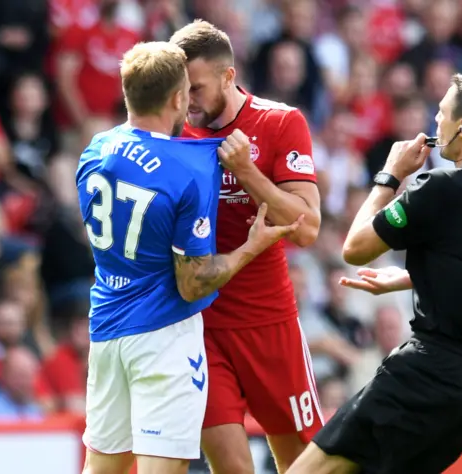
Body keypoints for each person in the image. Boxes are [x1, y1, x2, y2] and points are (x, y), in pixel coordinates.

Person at [76, 41, 304, 474]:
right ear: (179, 97)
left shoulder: (95, 149)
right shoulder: (187, 170)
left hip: (106, 329)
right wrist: (250, 248)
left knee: (101, 467)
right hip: (163, 335)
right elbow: (193, 281)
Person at [286, 73, 462, 474]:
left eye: (441, 113)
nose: (435, 121)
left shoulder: (440, 187)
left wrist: (390, 176)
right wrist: (415, 278)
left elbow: (356, 248)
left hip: (429, 370)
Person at [170, 21, 323, 474]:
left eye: (195, 89)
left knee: (302, 464)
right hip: (201, 325)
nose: (186, 101)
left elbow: (307, 229)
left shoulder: (279, 122)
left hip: (268, 322)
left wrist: (248, 172)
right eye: (180, 90)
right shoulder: (175, 131)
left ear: (228, 76)